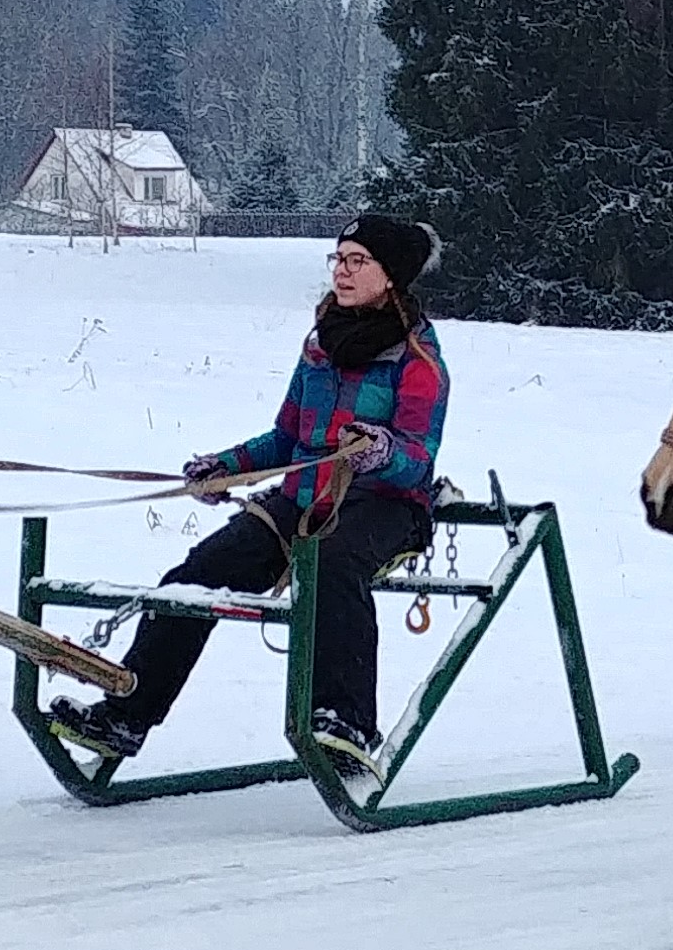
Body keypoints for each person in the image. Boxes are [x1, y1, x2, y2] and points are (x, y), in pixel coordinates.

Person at [46, 214, 449, 776]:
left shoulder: (417, 358)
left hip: (384, 505)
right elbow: (288, 438)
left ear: (391, 276)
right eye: (339, 259)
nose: (343, 271)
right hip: (301, 501)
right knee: (196, 573)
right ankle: (126, 715)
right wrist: (226, 467)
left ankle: (346, 723)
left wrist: (381, 449)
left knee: (332, 567)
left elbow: (418, 458)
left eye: (359, 261)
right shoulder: (320, 345)